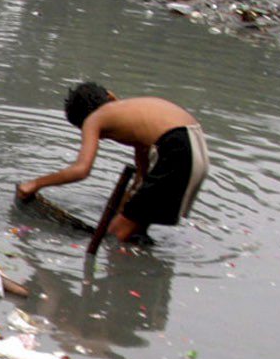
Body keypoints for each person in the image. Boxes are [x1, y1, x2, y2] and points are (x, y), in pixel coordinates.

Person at [15, 82, 210, 244]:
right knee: (133, 226)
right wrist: (123, 206)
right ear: (109, 96)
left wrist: (35, 184)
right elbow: (142, 175)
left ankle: (123, 277)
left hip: (175, 149)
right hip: (196, 148)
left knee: (115, 235)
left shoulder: (94, 119)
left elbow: (81, 170)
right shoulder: (132, 112)